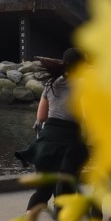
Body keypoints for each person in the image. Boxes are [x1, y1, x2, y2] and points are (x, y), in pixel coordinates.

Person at [15, 47, 89, 212]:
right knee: (66, 192)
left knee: (42, 191)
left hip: (47, 141)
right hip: (70, 141)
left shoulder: (51, 83)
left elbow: (41, 117)